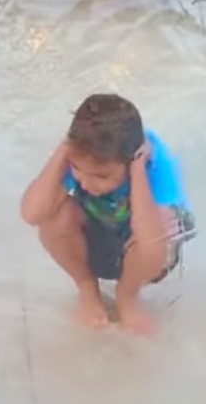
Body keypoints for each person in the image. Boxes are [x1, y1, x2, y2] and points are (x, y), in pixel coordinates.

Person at [18, 93, 194, 335]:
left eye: (101, 176)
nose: (86, 182)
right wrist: (65, 151)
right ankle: (87, 289)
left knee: (163, 226)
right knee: (53, 215)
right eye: (77, 169)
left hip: (146, 254)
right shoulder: (82, 153)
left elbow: (153, 244)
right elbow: (32, 214)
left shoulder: (157, 165)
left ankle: (127, 297)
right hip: (98, 241)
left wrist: (137, 171)